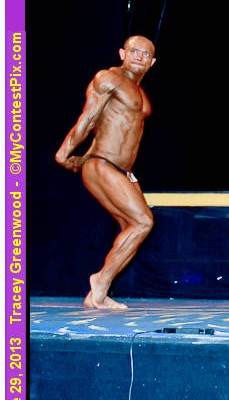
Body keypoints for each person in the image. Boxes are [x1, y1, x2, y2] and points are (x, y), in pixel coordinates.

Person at [54, 35, 157, 309]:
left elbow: (116, 128)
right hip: (102, 163)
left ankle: (97, 295)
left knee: (132, 229)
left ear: (152, 62)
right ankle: (100, 281)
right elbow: (88, 118)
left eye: (146, 54)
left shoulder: (140, 92)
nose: (140, 57)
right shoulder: (109, 78)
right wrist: (64, 152)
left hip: (123, 171)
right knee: (143, 222)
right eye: (135, 51)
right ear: (122, 53)